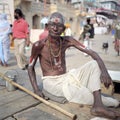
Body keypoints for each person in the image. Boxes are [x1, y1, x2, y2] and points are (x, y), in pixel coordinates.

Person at [28, 12, 120, 119]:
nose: (55, 28)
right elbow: (30, 67)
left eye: (59, 26)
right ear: (47, 26)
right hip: (52, 83)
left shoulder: (67, 40)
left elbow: (93, 54)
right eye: (52, 24)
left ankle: (97, 105)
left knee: (94, 64)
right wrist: (36, 89)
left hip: (67, 77)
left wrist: (104, 71)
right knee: (112, 102)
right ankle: (99, 104)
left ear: (63, 29)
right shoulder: (39, 45)